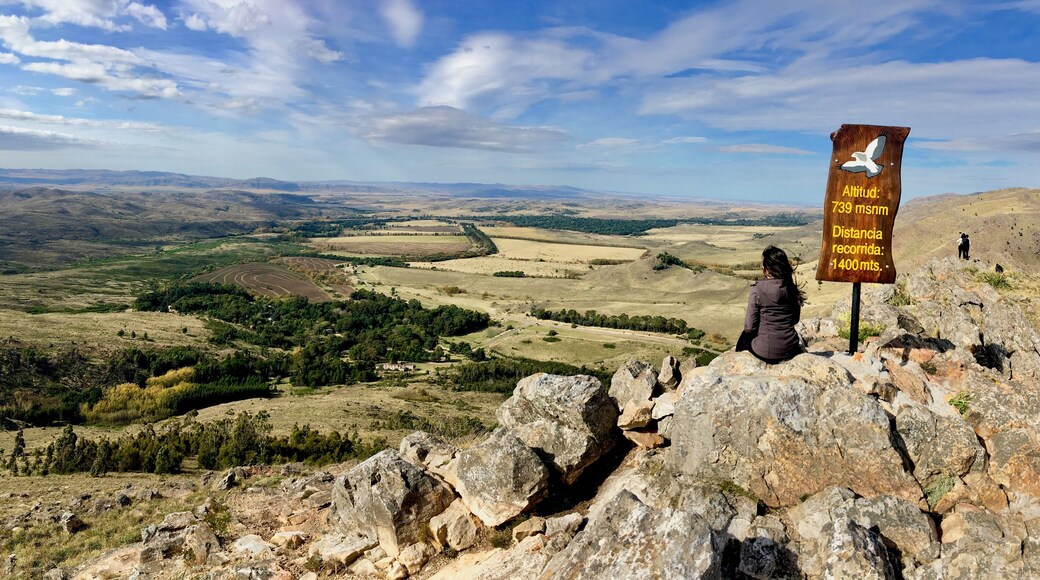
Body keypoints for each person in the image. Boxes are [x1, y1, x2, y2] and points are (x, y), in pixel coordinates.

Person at [736, 246, 805, 364]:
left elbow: (749, 327)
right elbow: (795, 320)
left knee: (744, 336)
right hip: (790, 348)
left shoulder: (757, 289)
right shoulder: (791, 288)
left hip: (766, 352)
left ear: (767, 269)